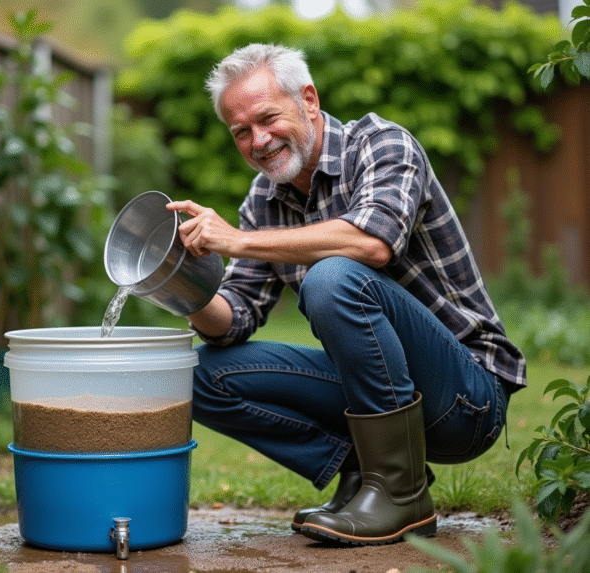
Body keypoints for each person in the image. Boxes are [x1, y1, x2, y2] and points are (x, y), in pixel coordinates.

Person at [165, 43, 525, 546]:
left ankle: (401, 495)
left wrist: (238, 241)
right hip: (375, 395)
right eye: (241, 131)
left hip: (465, 399)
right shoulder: (263, 200)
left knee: (332, 276)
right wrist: (182, 283)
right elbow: (236, 319)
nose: (259, 140)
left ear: (308, 100)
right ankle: (368, 472)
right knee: (197, 373)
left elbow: (374, 242)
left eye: (268, 118)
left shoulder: (382, 144)